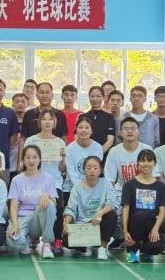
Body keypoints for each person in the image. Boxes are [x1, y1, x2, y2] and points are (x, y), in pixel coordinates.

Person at [24, 110, 68, 254]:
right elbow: (26, 163)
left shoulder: (60, 142)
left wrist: (63, 158)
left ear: (55, 122)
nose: (47, 122)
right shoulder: (31, 141)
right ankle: (34, 235)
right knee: (33, 208)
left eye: (50, 119)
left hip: (54, 182)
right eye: (44, 119)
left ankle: (56, 240)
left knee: (57, 209)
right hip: (34, 181)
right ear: (39, 122)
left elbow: (62, 169)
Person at [62, 155, 117, 260]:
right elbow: (71, 209)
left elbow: (112, 202)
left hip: (99, 223)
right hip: (83, 226)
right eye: (89, 168)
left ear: (100, 170)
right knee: (65, 239)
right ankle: (88, 246)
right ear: (84, 170)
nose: (92, 170)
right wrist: (66, 223)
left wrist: (100, 213)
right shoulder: (77, 187)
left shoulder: (106, 183)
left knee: (111, 216)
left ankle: (102, 247)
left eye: (95, 168)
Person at [7, 145, 58, 258]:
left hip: (39, 217)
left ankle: (46, 244)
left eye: (35, 157)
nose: (31, 160)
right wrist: (15, 225)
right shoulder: (16, 180)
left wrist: (48, 196)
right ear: (23, 160)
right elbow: (13, 207)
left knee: (49, 204)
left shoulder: (48, 178)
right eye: (28, 157)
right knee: (14, 241)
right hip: (23, 217)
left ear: (40, 159)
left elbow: (54, 204)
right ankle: (26, 240)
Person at [121, 149, 165, 263]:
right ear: (138, 163)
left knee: (157, 247)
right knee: (140, 215)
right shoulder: (129, 185)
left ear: (155, 163)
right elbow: (126, 209)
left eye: (150, 161)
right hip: (135, 224)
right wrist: (125, 231)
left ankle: (146, 250)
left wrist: (156, 228)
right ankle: (132, 250)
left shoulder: (161, 186)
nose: (146, 164)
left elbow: (162, 211)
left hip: (152, 224)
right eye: (143, 161)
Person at [105, 117, 160, 190]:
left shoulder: (147, 149)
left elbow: (154, 175)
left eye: (133, 128)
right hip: (121, 192)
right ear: (120, 132)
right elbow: (109, 180)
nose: (130, 131)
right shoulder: (114, 151)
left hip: (144, 191)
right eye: (126, 129)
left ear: (138, 131)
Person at [82, 86, 116, 153]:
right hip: (84, 154)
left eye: (98, 96)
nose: (95, 99)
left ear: (103, 97)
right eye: (92, 96)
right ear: (89, 97)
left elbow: (110, 141)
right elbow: (78, 138)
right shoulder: (83, 117)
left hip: (103, 154)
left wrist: (98, 154)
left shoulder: (109, 117)